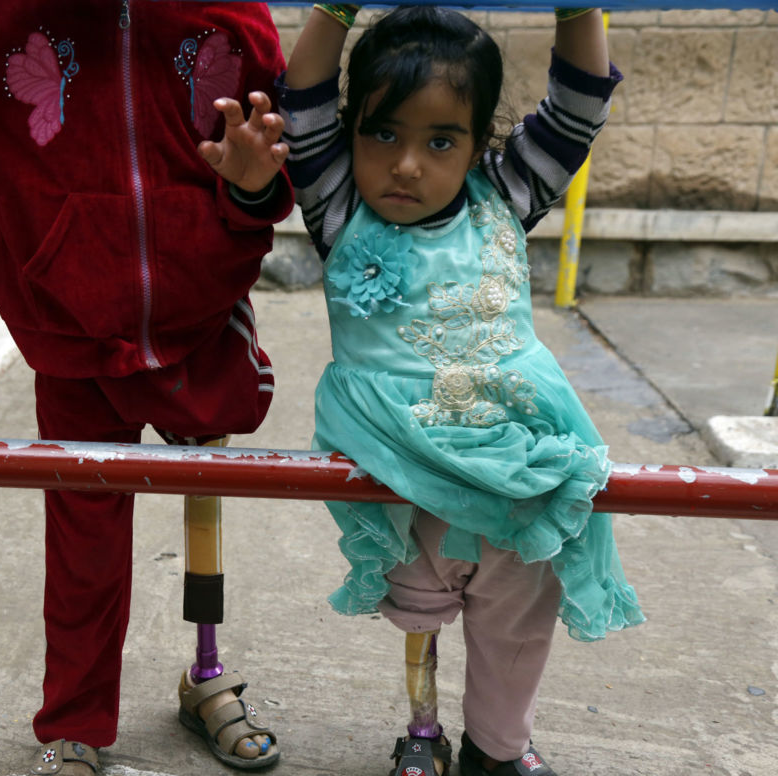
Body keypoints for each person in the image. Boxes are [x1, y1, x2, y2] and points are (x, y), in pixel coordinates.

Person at [0, 2, 293, 773]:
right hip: (70, 326)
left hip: (202, 314)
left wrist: (248, 199)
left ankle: (206, 673)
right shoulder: (4, 14)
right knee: (84, 534)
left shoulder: (230, 15)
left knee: (207, 492)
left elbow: (277, 157)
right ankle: (75, 722)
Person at [271, 5, 646, 775]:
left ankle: (498, 749)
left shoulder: (504, 199)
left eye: (440, 141)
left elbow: (578, 103)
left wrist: (577, 10)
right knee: (419, 611)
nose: (407, 165)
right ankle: (420, 731)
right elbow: (302, 97)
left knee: (516, 621)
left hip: (517, 470)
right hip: (402, 471)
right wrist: (334, 11)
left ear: (479, 147)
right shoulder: (339, 210)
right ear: (351, 136)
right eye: (384, 134)